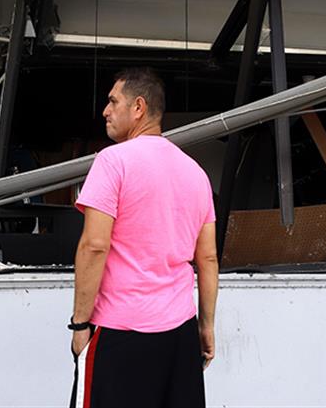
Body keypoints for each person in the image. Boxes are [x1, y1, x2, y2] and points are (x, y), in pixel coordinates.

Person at [68, 67, 219, 408]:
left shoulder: (112, 161)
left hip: (120, 332)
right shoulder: (196, 173)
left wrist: (79, 324)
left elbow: (94, 246)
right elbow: (208, 258)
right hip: (180, 333)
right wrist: (206, 326)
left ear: (138, 107)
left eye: (113, 102)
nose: (105, 111)